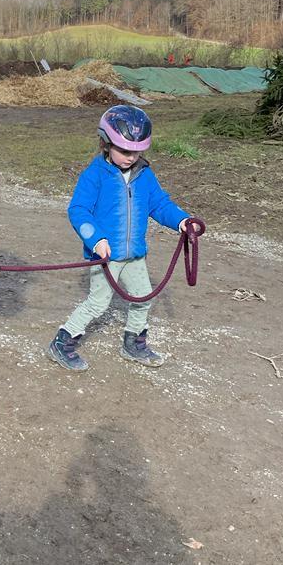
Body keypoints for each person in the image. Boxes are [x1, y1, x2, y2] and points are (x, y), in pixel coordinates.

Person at [48, 105, 192, 371]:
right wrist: (97, 239)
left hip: (135, 254)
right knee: (98, 303)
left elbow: (159, 204)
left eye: (137, 152)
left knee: (143, 297)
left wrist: (182, 220)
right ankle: (62, 342)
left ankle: (133, 344)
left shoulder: (144, 174)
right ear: (106, 143)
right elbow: (78, 210)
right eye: (125, 151)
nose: (131, 157)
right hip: (106, 255)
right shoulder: (95, 175)